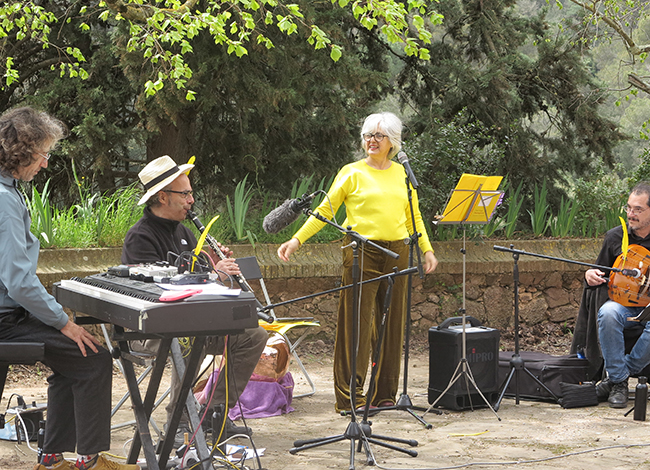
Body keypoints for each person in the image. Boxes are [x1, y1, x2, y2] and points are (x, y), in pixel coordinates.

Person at [0, 107, 138, 470]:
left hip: (9, 315)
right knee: (92, 358)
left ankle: (51, 458)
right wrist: (64, 322)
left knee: (74, 360)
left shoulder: (7, 192)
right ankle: (90, 460)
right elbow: (19, 283)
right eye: (43, 154)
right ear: (21, 152)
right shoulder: (5, 201)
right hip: (5, 321)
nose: (45, 163)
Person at [277, 112, 438, 412]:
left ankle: (384, 394)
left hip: (398, 252)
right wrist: (297, 240)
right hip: (361, 251)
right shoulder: (351, 173)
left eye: (378, 135)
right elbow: (325, 211)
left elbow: (413, 216)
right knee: (357, 326)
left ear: (392, 141)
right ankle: (350, 398)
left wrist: (426, 250)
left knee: (391, 325)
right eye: (367, 135)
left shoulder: (402, 174)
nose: (371, 141)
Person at [121, 155, 267, 445]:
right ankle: (179, 421)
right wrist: (212, 274)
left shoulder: (185, 232)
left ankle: (214, 412)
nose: (191, 200)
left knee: (253, 336)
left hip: (190, 323)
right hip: (148, 329)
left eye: (191, 193)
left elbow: (200, 286)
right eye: (185, 194)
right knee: (189, 338)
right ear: (163, 197)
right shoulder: (140, 237)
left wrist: (215, 269)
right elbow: (157, 290)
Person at [585, 182, 650, 408]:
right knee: (608, 313)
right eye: (629, 208)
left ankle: (616, 379)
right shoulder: (616, 236)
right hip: (623, 305)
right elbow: (599, 271)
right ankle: (620, 381)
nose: (631, 214)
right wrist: (590, 275)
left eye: (638, 209)